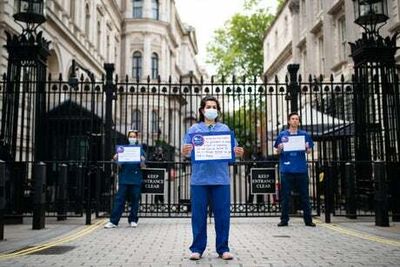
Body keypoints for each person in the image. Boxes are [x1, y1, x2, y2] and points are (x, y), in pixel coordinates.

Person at [182, 96, 244, 261]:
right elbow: (186, 151)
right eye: (208, 106)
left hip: (220, 180)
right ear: (202, 110)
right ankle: (197, 248)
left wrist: (238, 152)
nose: (211, 109)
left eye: (214, 106)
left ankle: (223, 248)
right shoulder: (193, 129)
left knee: (223, 216)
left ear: (217, 110)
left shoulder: (224, 128)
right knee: (198, 215)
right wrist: (185, 150)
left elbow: (234, 151)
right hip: (199, 180)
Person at [274, 112, 316, 227]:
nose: (295, 121)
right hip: (286, 170)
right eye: (292, 119)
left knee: (305, 196)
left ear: (299, 121)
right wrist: (279, 148)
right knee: (285, 197)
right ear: (289, 121)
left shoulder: (304, 135)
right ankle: (284, 220)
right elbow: (277, 151)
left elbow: (308, 151)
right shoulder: (282, 135)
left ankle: (308, 220)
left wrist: (307, 148)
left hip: (301, 169)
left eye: (297, 119)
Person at [104, 130, 145, 228]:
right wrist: (116, 159)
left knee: (135, 200)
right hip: (124, 178)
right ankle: (113, 221)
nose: (132, 138)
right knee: (119, 200)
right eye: (130, 136)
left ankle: (133, 220)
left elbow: (143, 166)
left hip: (135, 178)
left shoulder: (140, 149)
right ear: (128, 137)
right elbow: (119, 165)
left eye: (134, 136)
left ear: (136, 138)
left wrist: (142, 160)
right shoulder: (122, 149)